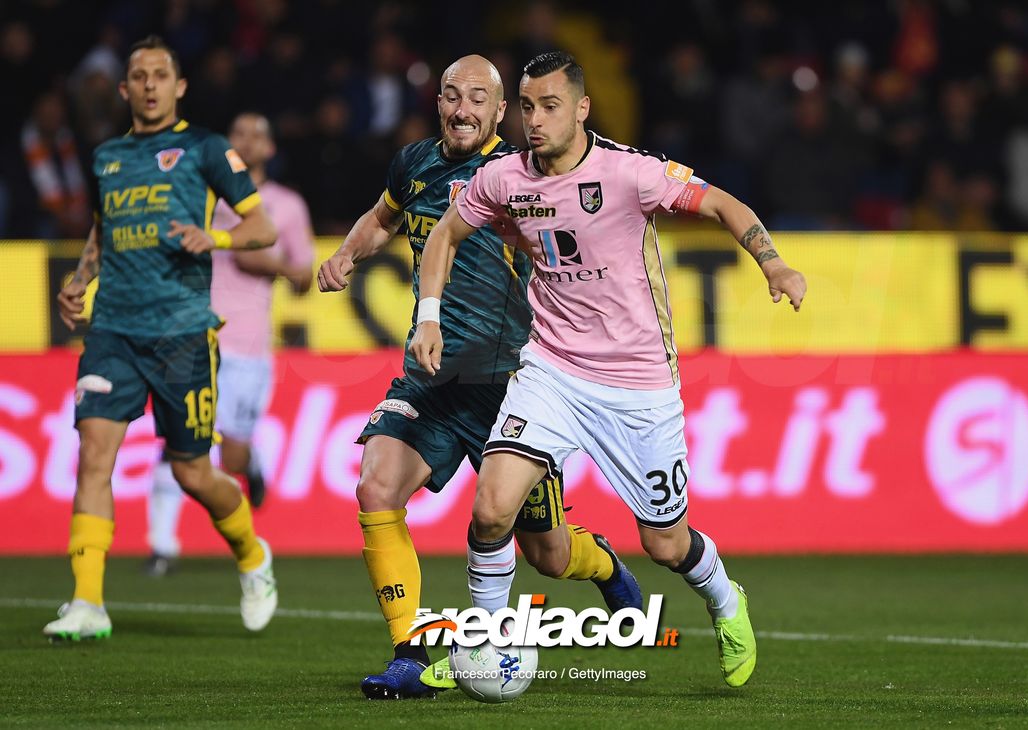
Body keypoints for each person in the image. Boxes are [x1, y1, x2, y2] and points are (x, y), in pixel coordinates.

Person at [410, 51, 808, 688]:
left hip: (638, 386)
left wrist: (773, 263)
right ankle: (483, 649)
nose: (535, 122)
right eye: (528, 108)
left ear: (582, 108)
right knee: (490, 511)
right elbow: (444, 235)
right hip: (551, 370)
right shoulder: (503, 178)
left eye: (551, 107)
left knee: (665, 546)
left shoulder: (629, 174)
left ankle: (726, 600)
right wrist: (428, 314)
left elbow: (722, 204)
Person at [317, 54, 642, 700]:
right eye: (450, 96)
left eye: (477, 99)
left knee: (546, 554)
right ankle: (409, 653)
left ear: (502, 113)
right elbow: (383, 218)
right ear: (436, 102)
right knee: (376, 486)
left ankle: (600, 560)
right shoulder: (413, 165)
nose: (461, 109)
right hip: (432, 378)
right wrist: (346, 255)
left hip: (510, 386)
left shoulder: (520, 178)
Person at [46, 36, 280, 642]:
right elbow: (103, 233)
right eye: (139, 76)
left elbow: (262, 227)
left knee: (192, 474)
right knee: (94, 457)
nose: (149, 85)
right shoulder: (106, 157)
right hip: (113, 332)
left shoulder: (204, 148)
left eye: (160, 75)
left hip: (182, 334)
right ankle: (87, 603)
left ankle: (253, 557)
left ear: (179, 87)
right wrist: (79, 280)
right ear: (124, 90)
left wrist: (217, 240)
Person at [145, 112, 315, 577]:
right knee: (176, 440)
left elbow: (305, 276)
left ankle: (251, 461)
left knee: (230, 456)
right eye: (237, 133)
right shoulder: (198, 195)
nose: (246, 140)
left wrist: (270, 260)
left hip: (246, 348)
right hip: (189, 338)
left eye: (256, 134)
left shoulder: (286, 205)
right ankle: (161, 545)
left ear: (270, 149)